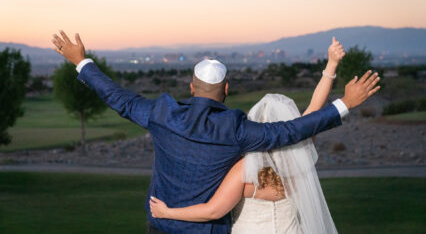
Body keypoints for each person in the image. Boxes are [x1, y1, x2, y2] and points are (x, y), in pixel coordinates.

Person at [52, 31, 380, 234]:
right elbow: (294, 130)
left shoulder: (161, 113)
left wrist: (81, 61)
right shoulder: (238, 129)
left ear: (192, 86)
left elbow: (118, 97)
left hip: (159, 226)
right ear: (227, 88)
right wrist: (344, 103)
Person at [149, 39, 348, 233]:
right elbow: (314, 112)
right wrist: (331, 65)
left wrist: (167, 212)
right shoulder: (299, 157)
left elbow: (213, 210)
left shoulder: (244, 169)